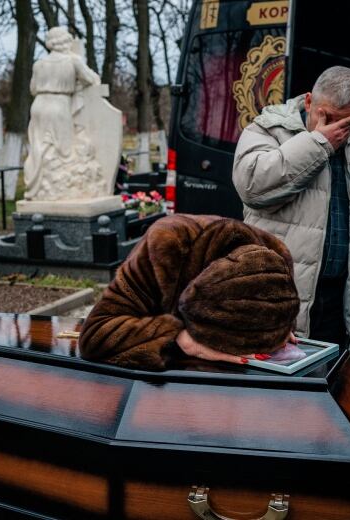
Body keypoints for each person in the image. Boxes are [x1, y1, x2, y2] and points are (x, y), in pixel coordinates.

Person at [232, 66, 350, 348]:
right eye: (326, 116)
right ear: (308, 101)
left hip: (340, 298)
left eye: (347, 122)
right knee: (278, 388)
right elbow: (252, 187)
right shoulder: (268, 129)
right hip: (277, 294)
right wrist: (319, 144)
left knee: (331, 382)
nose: (336, 128)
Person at [79, 214, 300, 370]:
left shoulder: (275, 253)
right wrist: (178, 338)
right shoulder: (164, 245)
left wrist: (276, 326)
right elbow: (95, 335)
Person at [23, 27, 101, 201]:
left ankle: (35, 187)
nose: (68, 44)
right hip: (59, 104)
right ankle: (59, 188)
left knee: (38, 147)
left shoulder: (39, 64)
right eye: (67, 40)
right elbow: (91, 79)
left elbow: (33, 88)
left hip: (39, 106)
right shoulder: (73, 61)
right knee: (64, 149)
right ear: (62, 42)